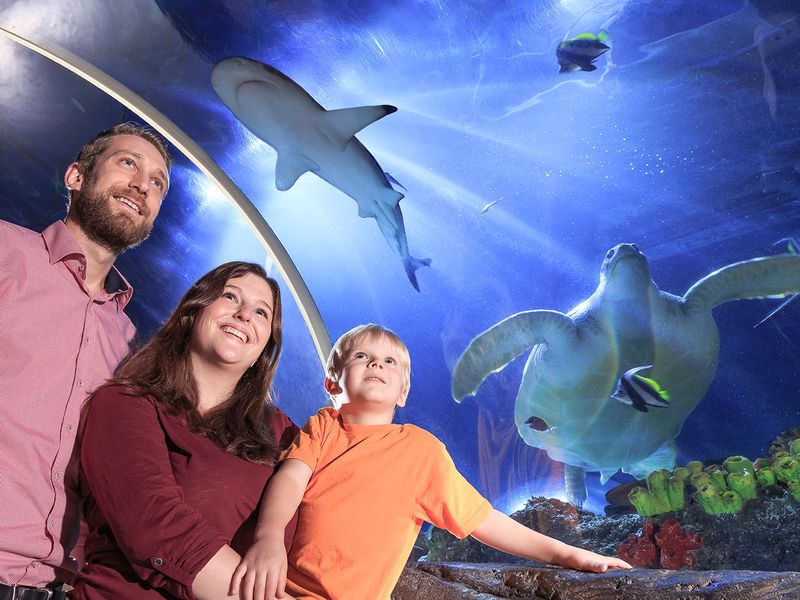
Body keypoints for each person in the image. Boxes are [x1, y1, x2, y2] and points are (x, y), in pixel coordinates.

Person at [232, 324, 632, 600]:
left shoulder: (419, 450)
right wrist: (268, 538)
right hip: (279, 588)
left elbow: (484, 520)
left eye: (390, 362)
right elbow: (291, 477)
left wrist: (571, 555)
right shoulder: (323, 426)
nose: (376, 364)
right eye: (361, 355)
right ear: (332, 382)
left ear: (403, 392)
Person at [0, 122, 172, 598]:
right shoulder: (6, 250)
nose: (143, 184)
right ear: (76, 176)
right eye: (128, 163)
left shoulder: (128, 341)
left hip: (52, 587)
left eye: (158, 183)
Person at [70, 261, 299, 600]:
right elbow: (157, 527)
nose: (245, 315)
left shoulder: (284, 435)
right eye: (230, 297)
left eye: (262, 313)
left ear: (263, 350)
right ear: (193, 311)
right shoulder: (124, 403)